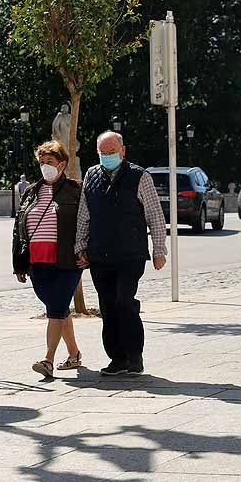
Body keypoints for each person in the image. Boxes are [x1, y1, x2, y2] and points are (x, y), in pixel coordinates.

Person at [75, 131, 168, 376]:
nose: (107, 156)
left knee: (124, 302)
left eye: (111, 152)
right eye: (102, 153)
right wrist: (80, 247)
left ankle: (134, 356)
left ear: (122, 151)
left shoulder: (140, 176)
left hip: (130, 254)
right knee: (107, 306)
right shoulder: (91, 176)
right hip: (100, 255)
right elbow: (84, 215)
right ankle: (117, 358)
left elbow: (155, 216)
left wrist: (159, 250)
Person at [13, 141, 84, 379]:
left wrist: (86, 251)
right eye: (42, 162)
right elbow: (19, 229)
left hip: (67, 261)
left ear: (62, 164)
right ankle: (74, 354)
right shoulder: (30, 191)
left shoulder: (76, 190)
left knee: (55, 308)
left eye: (50, 162)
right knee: (58, 308)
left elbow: (87, 224)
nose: (45, 167)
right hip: (38, 261)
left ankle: (48, 360)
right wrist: (19, 263)